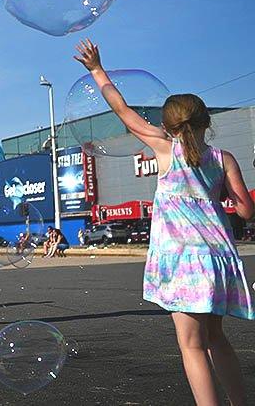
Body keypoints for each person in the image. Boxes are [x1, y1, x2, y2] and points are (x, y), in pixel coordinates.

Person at [75, 39, 254, 406]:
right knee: (217, 339)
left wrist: (96, 70)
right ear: (206, 122)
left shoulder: (163, 148)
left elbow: (121, 109)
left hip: (182, 261)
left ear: (167, 125)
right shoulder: (223, 158)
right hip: (218, 258)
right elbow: (247, 210)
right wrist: (218, 202)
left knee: (192, 346)